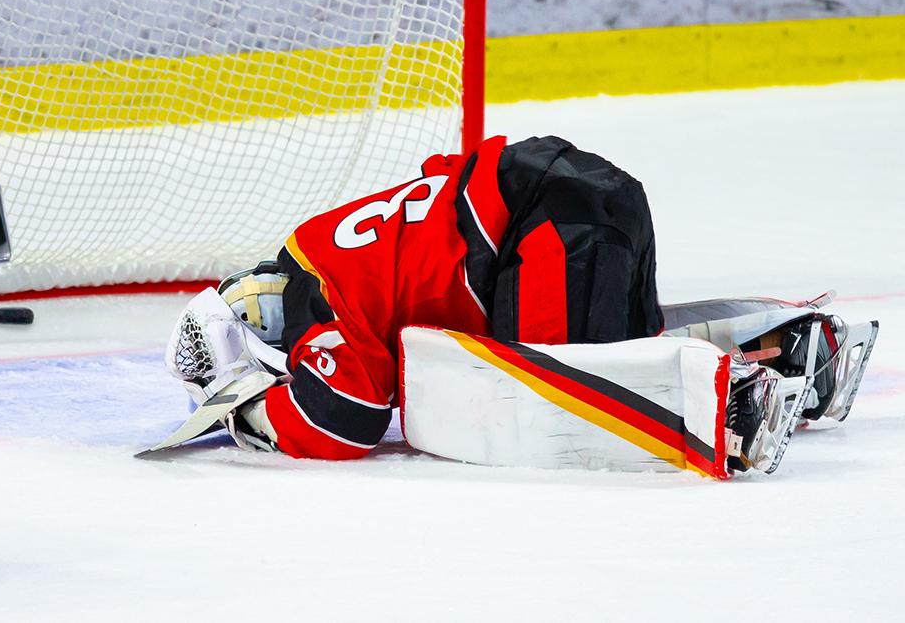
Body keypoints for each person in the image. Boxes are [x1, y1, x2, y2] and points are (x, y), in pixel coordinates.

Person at [156, 135, 878, 477]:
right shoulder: (311, 248)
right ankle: (790, 345)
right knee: (633, 341)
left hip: (544, 230)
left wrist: (254, 417)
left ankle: (744, 397)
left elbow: (346, 415)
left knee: (561, 386)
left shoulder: (318, 300)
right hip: (580, 195)